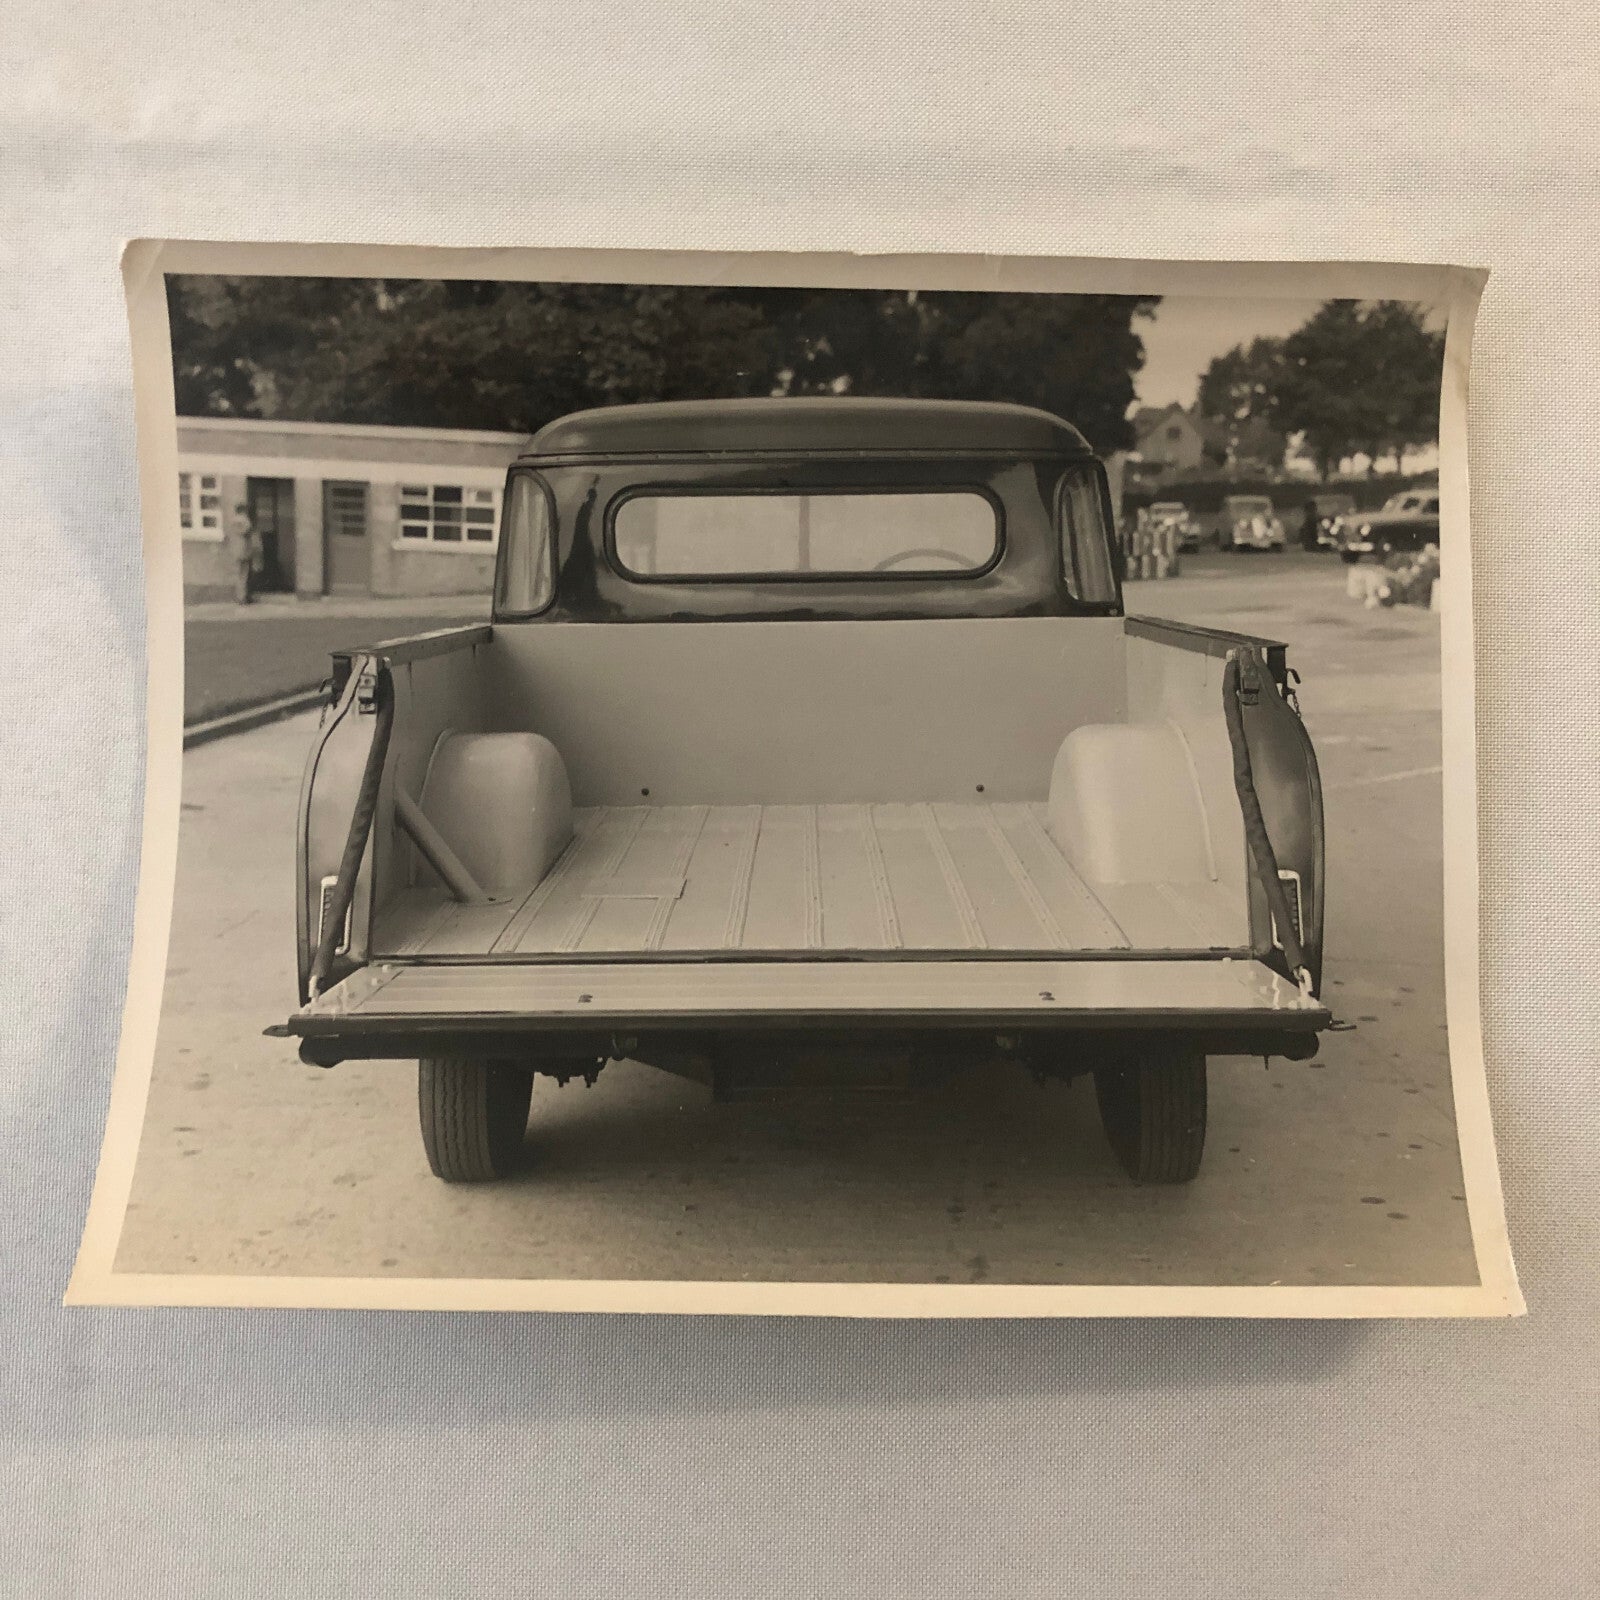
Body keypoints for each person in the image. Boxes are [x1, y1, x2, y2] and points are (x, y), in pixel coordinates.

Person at [226, 498, 261, 604]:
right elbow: (248, 531)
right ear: (243, 510)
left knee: (239, 574)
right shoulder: (244, 520)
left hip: (235, 550)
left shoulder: (232, 520)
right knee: (244, 575)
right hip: (244, 550)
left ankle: (239, 597)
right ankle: (243, 598)